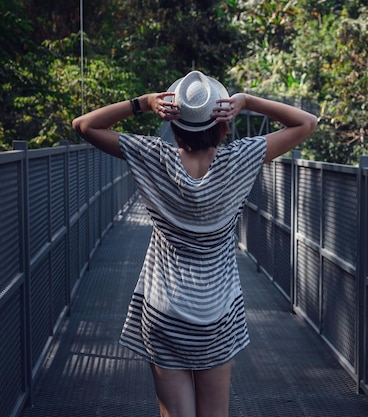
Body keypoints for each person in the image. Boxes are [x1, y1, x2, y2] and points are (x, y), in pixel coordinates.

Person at [72, 70, 317, 417]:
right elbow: (306, 123)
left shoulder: (152, 156)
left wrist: (142, 103)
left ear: (174, 122)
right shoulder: (240, 159)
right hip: (217, 315)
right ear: (221, 122)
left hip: (163, 313)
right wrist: (246, 101)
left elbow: (83, 125)